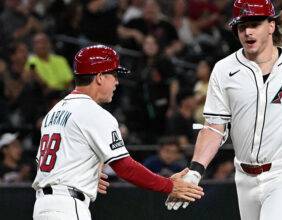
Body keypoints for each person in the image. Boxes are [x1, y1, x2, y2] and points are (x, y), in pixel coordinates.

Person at [165, 1, 282, 220]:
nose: (247, 31)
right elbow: (214, 127)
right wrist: (195, 170)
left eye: (255, 24)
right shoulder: (224, 69)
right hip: (245, 177)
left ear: (271, 26)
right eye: (241, 26)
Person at [32, 45, 204, 220]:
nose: (116, 82)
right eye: (113, 76)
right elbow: (125, 168)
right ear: (99, 77)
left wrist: (86, 173)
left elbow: (47, 161)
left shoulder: (55, 111)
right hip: (68, 207)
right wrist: (169, 185)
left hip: (42, 206)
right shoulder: (94, 113)